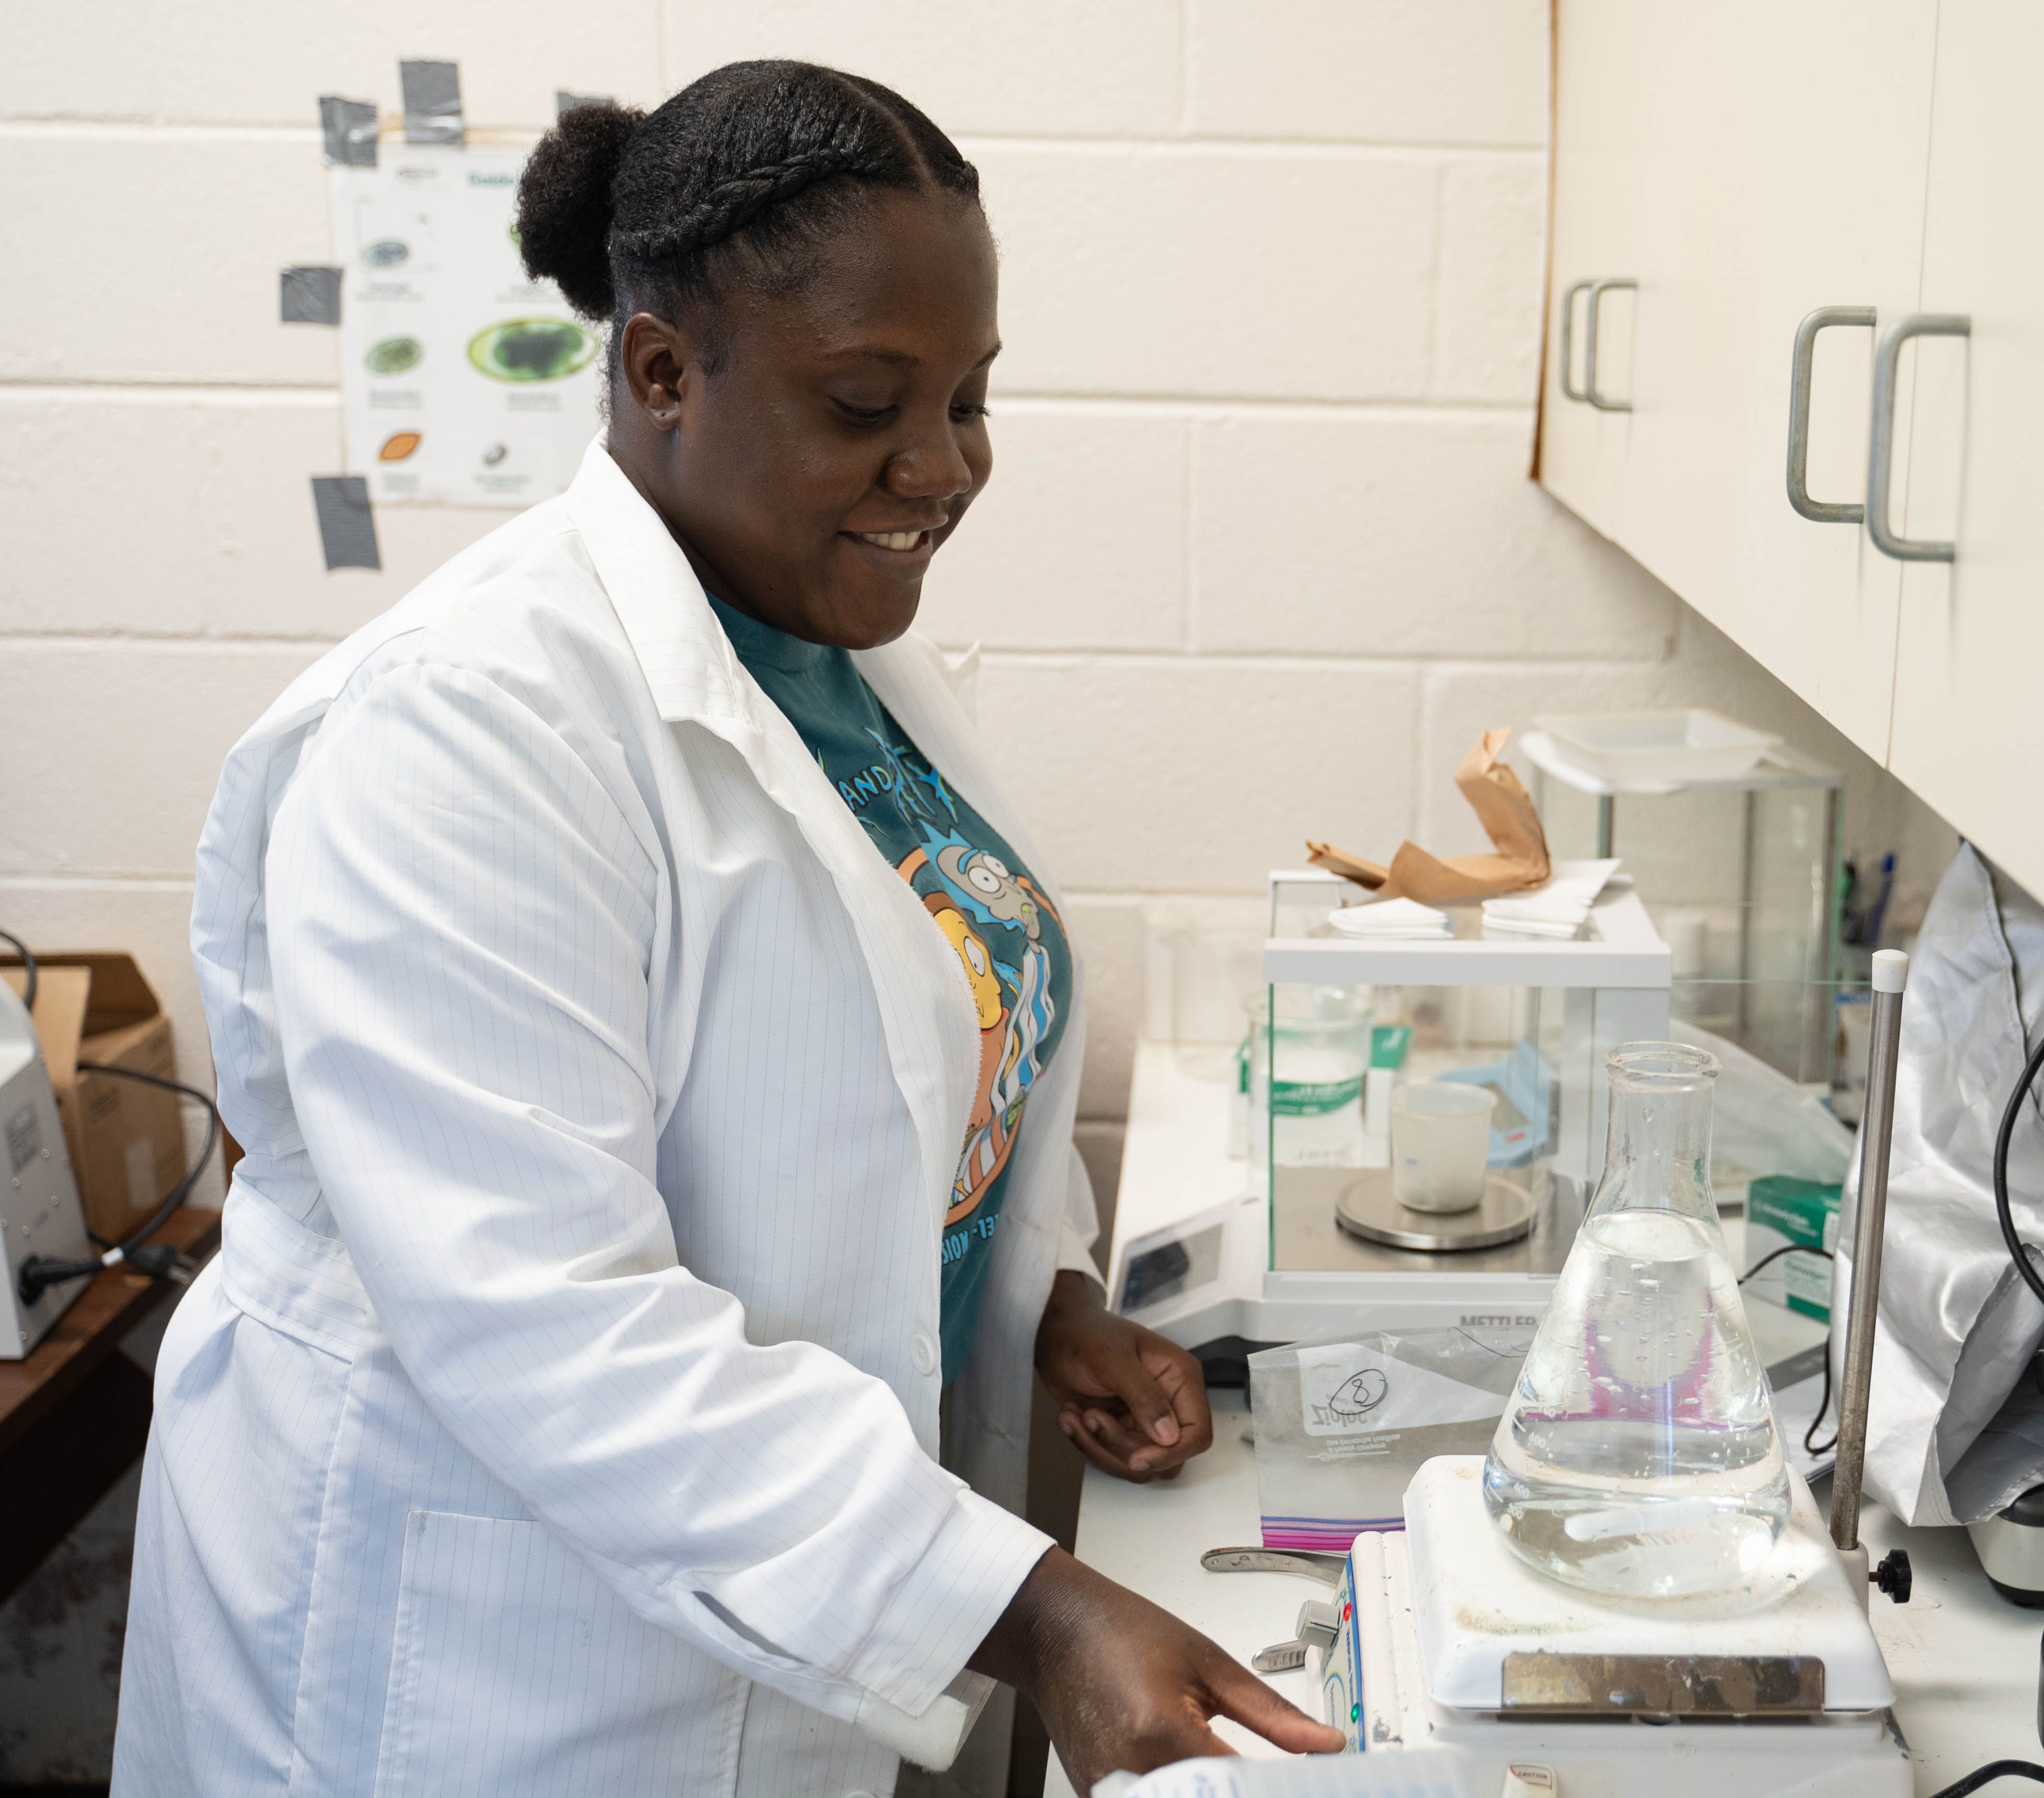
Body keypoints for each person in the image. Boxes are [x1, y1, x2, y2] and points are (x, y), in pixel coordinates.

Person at [112, 60, 1341, 1798]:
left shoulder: (839, 653)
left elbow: (923, 1055)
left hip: (752, 1630)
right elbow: (547, 1320)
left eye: (975, 398)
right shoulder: (464, 732)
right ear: (662, 369)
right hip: (487, 1673)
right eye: (867, 403)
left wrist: (1037, 1298)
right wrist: (1041, 1609)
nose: (945, 466)